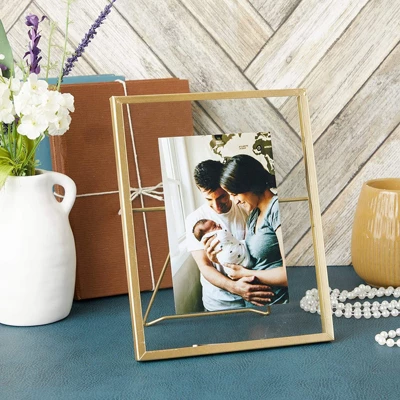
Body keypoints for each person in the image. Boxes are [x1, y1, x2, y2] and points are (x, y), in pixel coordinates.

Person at [185, 160, 275, 312]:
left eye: (221, 197)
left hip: (257, 297)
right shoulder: (195, 221)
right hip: (219, 304)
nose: (217, 206)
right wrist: (235, 287)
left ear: (227, 187)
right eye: (209, 199)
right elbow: (205, 266)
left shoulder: (247, 207)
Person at [217, 154, 289, 305]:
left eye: (235, 194)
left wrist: (245, 273)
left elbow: (290, 273)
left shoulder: (276, 209)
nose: (235, 201)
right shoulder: (253, 215)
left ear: (249, 185)